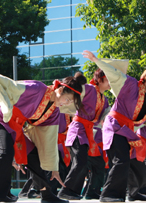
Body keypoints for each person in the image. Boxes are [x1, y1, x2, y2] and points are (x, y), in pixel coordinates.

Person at [0, 71, 86, 203]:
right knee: (6, 153)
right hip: (2, 120)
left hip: (17, 128)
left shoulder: (53, 112)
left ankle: (47, 196)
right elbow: (9, 86)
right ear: (60, 89)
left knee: (35, 159)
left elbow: (49, 139)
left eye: (70, 102)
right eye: (68, 99)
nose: (67, 103)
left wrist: (53, 168)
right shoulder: (37, 88)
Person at [82, 50, 146, 202]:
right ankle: (110, 194)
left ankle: (134, 192)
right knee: (121, 161)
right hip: (115, 127)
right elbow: (115, 74)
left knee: (138, 163)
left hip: (129, 133)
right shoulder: (130, 84)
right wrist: (96, 60)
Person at [57, 69, 110, 200]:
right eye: (109, 79)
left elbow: (106, 118)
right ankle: (67, 190)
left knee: (99, 164)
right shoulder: (88, 89)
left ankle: (93, 191)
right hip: (78, 130)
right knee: (80, 162)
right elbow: (73, 92)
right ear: (100, 79)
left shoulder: (106, 100)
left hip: (90, 135)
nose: (111, 83)